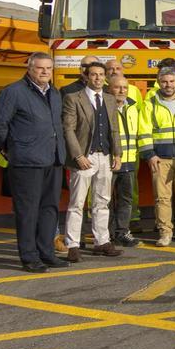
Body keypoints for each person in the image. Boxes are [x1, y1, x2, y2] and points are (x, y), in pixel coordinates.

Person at [0, 53, 69, 272]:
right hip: (26, 162)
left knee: (50, 209)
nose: (45, 72)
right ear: (29, 68)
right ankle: (29, 257)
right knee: (28, 212)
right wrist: (10, 149)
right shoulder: (13, 92)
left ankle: (47, 253)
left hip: (53, 160)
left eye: (48, 68)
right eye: (40, 68)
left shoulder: (54, 93)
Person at [61, 61, 123, 261]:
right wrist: (78, 155)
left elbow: (114, 128)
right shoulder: (73, 98)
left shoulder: (109, 99)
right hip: (84, 158)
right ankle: (72, 245)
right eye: (94, 74)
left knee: (102, 202)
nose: (98, 78)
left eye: (101, 74)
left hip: (105, 156)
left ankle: (102, 241)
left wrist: (118, 154)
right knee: (77, 203)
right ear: (86, 76)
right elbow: (68, 129)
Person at [139, 68, 175, 247]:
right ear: (158, 82)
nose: (168, 85)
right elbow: (144, 130)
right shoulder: (150, 103)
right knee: (162, 198)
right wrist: (150, 154)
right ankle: (165, 233)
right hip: (160, 158)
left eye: (172, 81)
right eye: (164, 82)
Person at [107, 76, 141, 247]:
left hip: (129, 160)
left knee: (126, 199)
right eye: (117, 87)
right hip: (109, 161)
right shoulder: (104, 107)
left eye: (124, 88)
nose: (122, 91)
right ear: (109, 88)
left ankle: (122, 232)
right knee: (104, 199)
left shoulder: (134, 107)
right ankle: (105, 234)